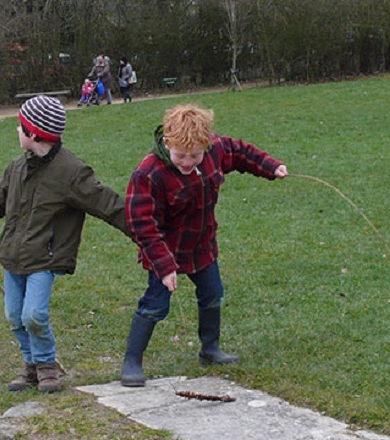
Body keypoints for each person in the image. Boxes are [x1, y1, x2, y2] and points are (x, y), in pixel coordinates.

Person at [0, 95, 131, 393]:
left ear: (33, 134)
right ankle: (31, 366)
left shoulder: (72, 172)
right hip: (13, 257)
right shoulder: (16, 168)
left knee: (34, 315)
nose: (16, 131)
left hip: (45, 258)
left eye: (20, 126)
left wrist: (144, 233)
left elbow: (108, 205)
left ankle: (46, 365)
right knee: (15, 316)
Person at [120, 104, 288, 387]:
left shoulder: (215, 150)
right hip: (164, 251)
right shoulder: (148, 174)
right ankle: (132, 361)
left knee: (213, 294)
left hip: (202, 246)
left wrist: (271, 166)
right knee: (155, 304)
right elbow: (142, 225)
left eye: (195, 156)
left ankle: (210, 349)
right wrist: (164, 266)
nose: (187, 162)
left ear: (206, 146)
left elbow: (241, 153)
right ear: (167, 143)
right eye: (180, 156)